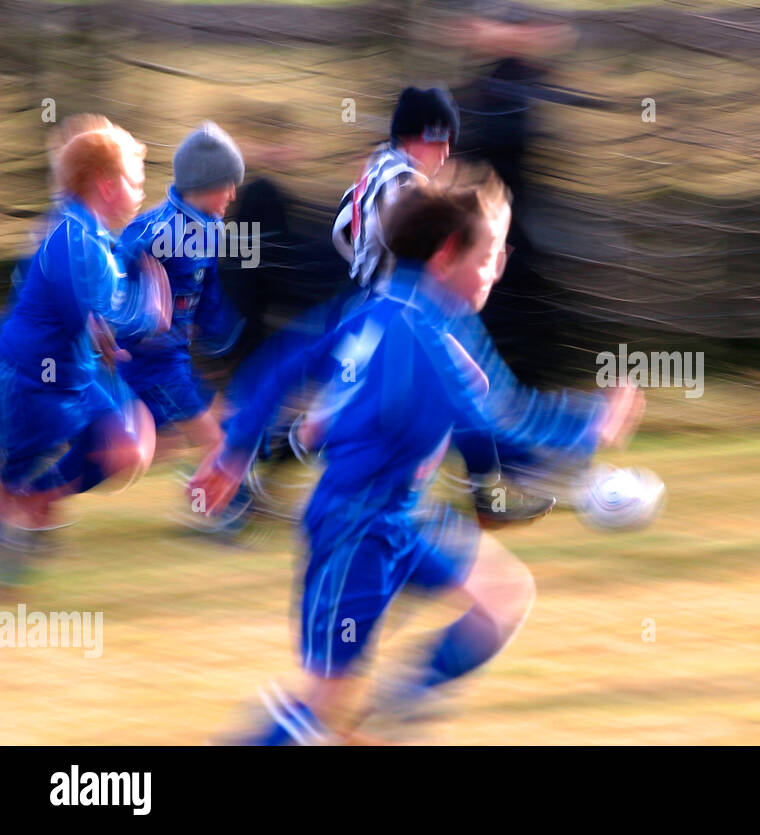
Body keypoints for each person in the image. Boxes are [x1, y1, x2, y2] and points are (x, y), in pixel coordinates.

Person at [192, 163, 642, 743]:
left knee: (498, 600)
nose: (500, 266)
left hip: (399, 519)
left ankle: (390, 714)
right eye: (491, 252)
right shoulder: (424, 337)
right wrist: (588, 427)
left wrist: (234, 454)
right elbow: (498, 423)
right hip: (354, 533)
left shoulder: (384, 310)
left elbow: (283, 366)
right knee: (324, 706)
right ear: (448, 253)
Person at [332, 84, 554, 528]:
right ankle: (483, 495)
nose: (447, 149)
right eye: (439, 137)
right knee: (464, 382)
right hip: (398, 311)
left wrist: (367, 268)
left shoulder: (375, 170)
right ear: (416, 135)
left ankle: (468, 490)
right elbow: (417, 247)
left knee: (352, 410)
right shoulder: (405, 181)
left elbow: (340, 230)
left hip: (375, 307)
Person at [0, 117, 169, 547]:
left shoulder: (93, 238)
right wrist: (147, 313)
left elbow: (100, 317)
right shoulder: (72, 238)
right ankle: (17, 509)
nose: (140, 193)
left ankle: (33, 503)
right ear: (107, 186)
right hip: (32, 381)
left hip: (70, 375)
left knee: (131, 441)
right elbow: (100, 317)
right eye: (134, 182)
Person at [115, 123, 246, 517]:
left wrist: (223, 334)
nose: (233, 194)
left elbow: (209, 289)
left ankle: (202, 499)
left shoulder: (212, 229)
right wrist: (123, 323)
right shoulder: (155, 230)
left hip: (176, 361)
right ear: (205, 183)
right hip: (151, 365)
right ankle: (213, 512)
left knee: (138, 449)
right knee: (218, 441)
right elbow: (111, 279)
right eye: (228, 184)